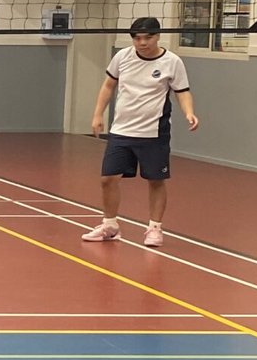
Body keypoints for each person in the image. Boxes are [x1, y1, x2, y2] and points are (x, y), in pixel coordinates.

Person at [82, 16, 200, 247]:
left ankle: (155, 228)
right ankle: (110, 225)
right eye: (137, 38)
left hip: (154, 133)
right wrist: (97, 115)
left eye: (148, 38)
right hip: (121, 130)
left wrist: (189, 112)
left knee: (156, 180)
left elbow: (182, 91)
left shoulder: (172, 62)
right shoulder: (122, 57)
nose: (142, 43)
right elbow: (108, 85)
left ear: (158, 36)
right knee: (108, 179)